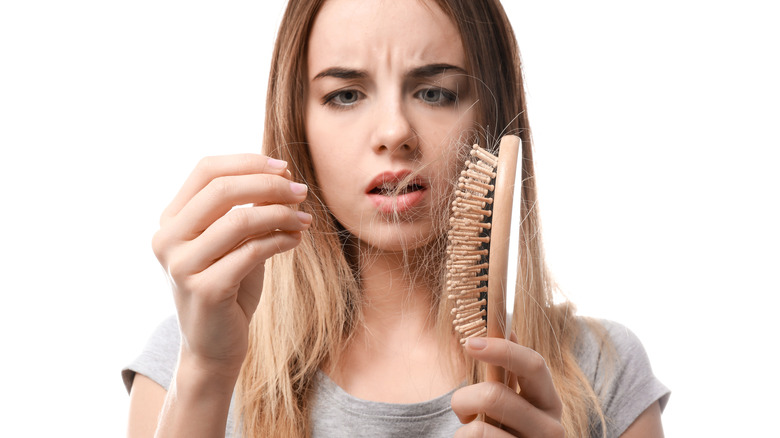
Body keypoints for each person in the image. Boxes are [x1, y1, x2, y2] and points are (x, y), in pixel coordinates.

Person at [123, 0, 670, 436]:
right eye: (344, 95)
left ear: (494, 118)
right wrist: (204, 375)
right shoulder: (192, 356)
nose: (394, 132)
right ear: (297, 122)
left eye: (434, 92)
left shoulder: (601, 372)